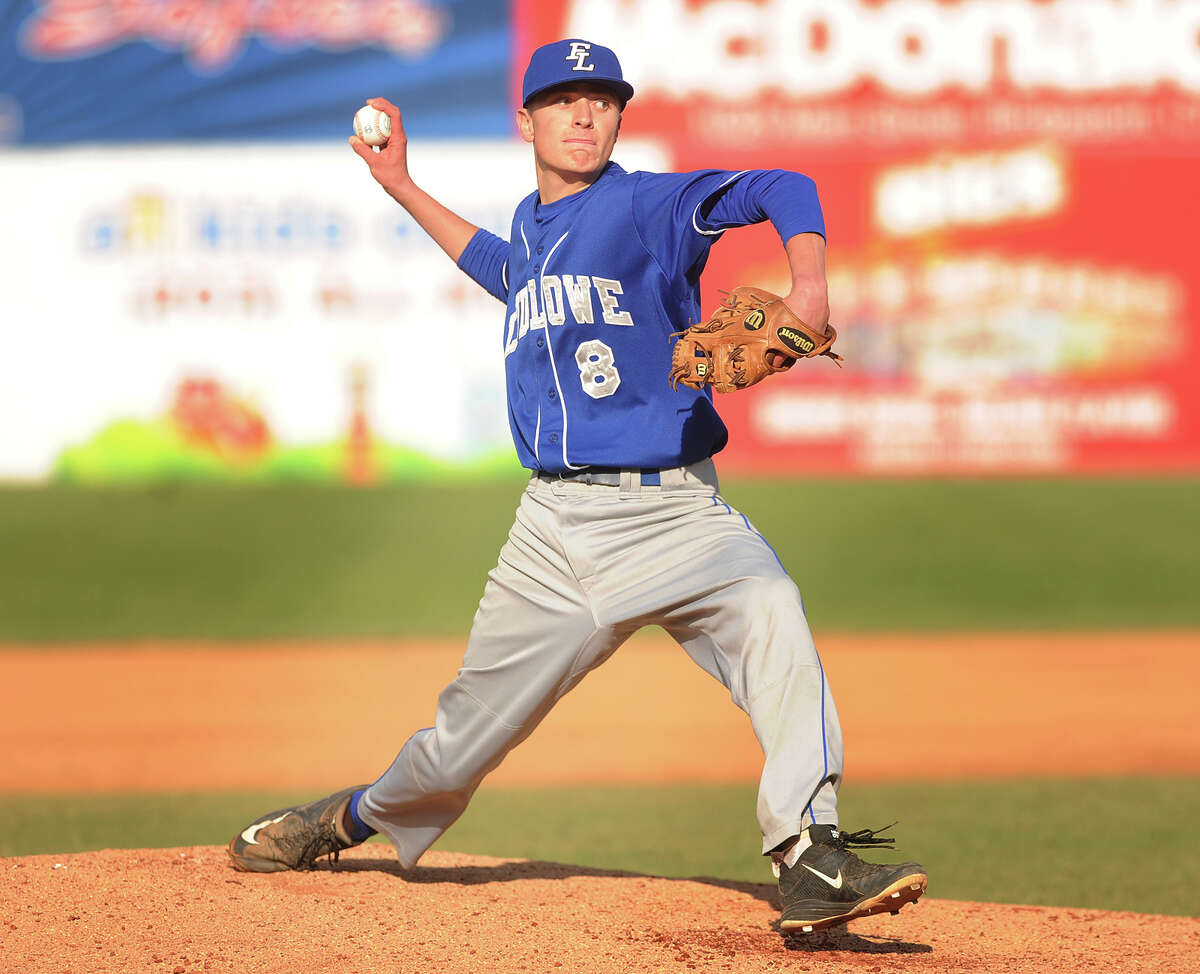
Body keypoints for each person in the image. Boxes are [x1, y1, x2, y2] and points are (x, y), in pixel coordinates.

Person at [227, 38, 927, 934]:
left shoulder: (646, 207)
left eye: (602, 99)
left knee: (774, 611)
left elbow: (781, 186)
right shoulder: (530, 223)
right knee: (456, 750)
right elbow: (502, 269)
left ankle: (809, 855)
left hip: (677, 511)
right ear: (526, 120)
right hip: (553, 537)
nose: (585, 114)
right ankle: (345, 819)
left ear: (621, 117)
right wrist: (400, 185)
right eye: (563, 99)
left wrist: (811, 282)